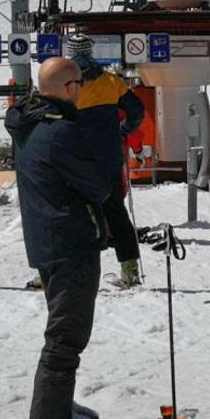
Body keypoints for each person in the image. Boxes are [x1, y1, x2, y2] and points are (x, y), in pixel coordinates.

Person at [5, 57, 110, 419]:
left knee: (62, 332)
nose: (81, 91)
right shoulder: (60, 132)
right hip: (70, 245)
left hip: (47, 242)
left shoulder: (29, 124)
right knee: (66, 339)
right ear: (69, 88)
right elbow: (99, 185)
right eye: (79, 84)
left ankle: (57, 406)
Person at [66, 34, 145, 288]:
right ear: (92, 52)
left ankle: (57, 273)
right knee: (116, 212)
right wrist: (123, 130)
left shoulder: (65, 84)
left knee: (69, 215)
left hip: (76, 159)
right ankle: (130, 269)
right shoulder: (112, 81)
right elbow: (137, 111)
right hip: (108, 158)